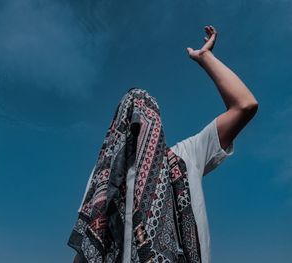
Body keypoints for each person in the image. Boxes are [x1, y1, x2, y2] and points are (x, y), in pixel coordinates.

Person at [71, 25, 258, 263]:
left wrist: (205, 58)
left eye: (146, 118)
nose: (139, 126)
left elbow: (245, 106)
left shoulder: (185, 157)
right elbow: (87, 247)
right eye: (130, 119)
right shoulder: (105, 179)